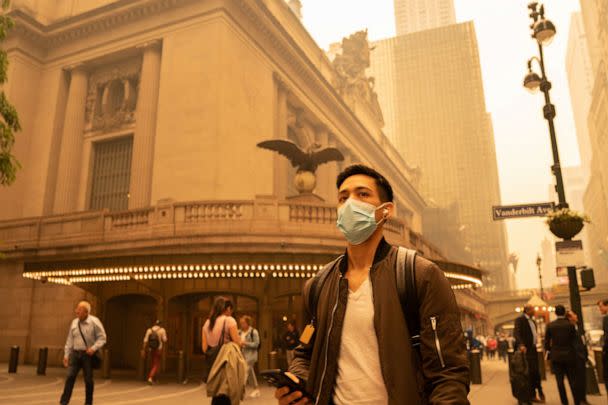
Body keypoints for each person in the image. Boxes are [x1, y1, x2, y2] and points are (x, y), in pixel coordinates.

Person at [275, 164, 470, 405]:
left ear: (386, 210)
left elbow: (448, 374)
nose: (350, 204)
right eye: (343, 198)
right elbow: (305, 353)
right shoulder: (317, 286)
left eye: (362, 194)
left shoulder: (420, 276)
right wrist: (297, 385)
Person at [60, 301, 107, 405]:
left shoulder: (95, 322)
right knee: (70, 377)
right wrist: (66, 355)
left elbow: (102, 338)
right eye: (77, 309)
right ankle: (63, 402)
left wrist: (93, 348)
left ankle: (88, 403)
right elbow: (70, 340)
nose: (76, 311)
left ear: (86, 312)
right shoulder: (74, 322)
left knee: (88, 380)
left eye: (79, 309)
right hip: (75, 354)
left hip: (88, 356)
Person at [203, 296, 241, 405]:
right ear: (228, 309)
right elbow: (237, 343)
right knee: (226, 394)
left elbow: (204, 348)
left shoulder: (207, 323)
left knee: (217, 395)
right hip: (225, 363)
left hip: (212, 364)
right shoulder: (229, 321)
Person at [545, 305, 579, 405]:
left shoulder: (550, 325)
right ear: (564, 313)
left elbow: (547, 342)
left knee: (560, 382)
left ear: (555, 313)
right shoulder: (570, 325)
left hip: (556, 357)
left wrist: (550, 350)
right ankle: (577, 401)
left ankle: (565, 402)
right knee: (573, 381)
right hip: (570, 356)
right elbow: (574, 340)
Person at [514, 305, 545, 403]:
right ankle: (529, 395)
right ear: (527, 310)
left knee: (535, 372)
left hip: (533, 349)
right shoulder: (520, 320)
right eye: (533, 309)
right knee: (528, 372)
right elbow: (517, 333)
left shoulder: (533, 321)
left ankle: (535, 393)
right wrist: (521, 344)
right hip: (525, 350)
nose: (534, 311)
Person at [566, 310, 589, 405]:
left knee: (583, 380)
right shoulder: (569, 329)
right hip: (576, 358)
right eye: (573, 314)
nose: (576, 315)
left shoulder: (578, 327)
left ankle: (583, 399)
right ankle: (579, 400)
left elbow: (582, 342)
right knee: (577, 381)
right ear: (570, 318)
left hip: (582, 357)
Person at [239, 315, 261, 398]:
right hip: (242, 355)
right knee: (250, 372)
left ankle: (241, 390)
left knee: (244, 372)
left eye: (243, 323)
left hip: (251, 356)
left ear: (248, 323)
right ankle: (256, 389)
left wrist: (245, 343)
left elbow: (256, 344)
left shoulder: (253, 332)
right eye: (241, 323)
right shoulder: (239, 332)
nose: (242, 324)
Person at [142, 319, 167, 384]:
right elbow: (165, 340)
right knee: (156, 364)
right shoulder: (162, 330)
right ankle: (151, 377)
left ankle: (153, 378)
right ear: (160, 324)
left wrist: (143, 349)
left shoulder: (149, 330)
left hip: (150, 349)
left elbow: (145, 341)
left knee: (152, 363)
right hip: (158, 349)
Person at [598, 299, 608, 394]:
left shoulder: (606, 319)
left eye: (601, 306)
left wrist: (604, 349)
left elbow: (606, 336)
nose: (600, 309)